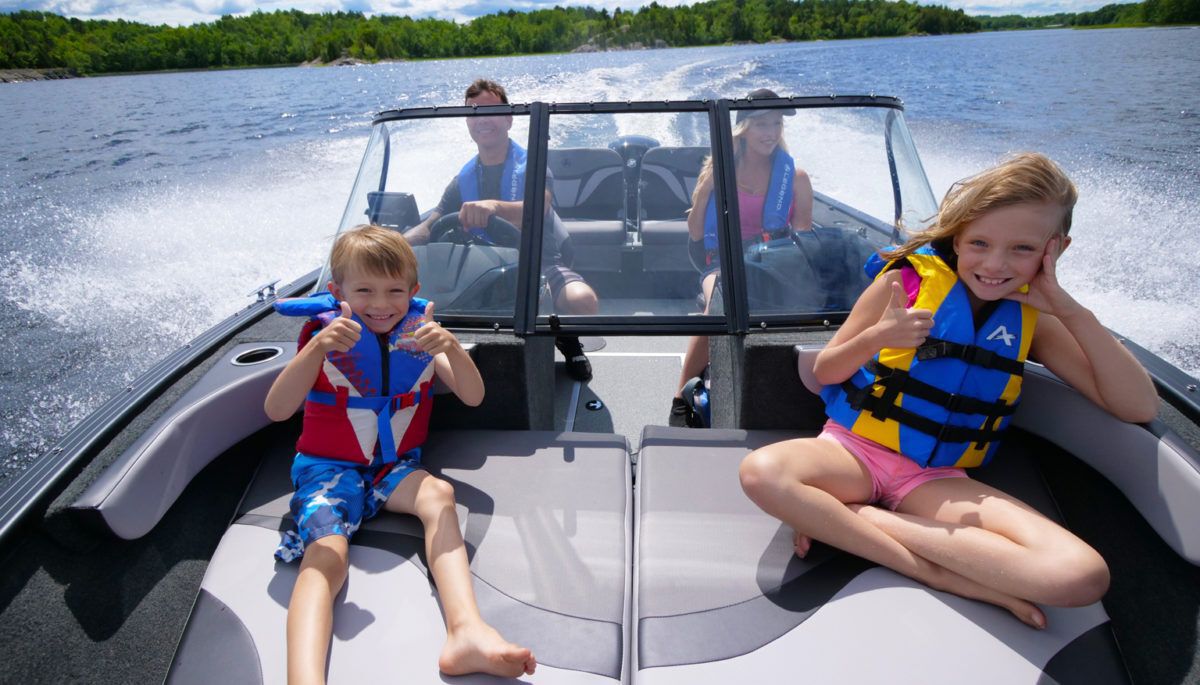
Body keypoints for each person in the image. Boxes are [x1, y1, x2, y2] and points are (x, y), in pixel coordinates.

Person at [738, 153, 1158, 629]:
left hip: (936, 480)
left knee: (1081, 576)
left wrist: (1071, 311)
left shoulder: (1035, 320)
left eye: (1022, 249)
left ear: (1054, 249)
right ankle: (931, 572)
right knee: (762, 472)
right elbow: (826, 372)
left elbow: (1137, 405)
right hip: (853, 452)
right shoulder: (902, 285)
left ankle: (855, 520)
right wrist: (878, 337)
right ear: (957, 237)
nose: (995, 264)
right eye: (980, 242)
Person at [264, 225, 536, 683]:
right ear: (338, 292)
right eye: (364, 291)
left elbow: (472, 396)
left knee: (439, 496)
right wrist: (316, 348)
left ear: (413, 291)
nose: (380, 304)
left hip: (393, 469)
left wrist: (450, 345)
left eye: (394, 291)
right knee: (327, 555)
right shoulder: (325, 336)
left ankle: (467, 632)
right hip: (328, 470)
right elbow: (276, 410)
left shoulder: (422, 334)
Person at [404, 78, 599, 382]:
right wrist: (393, 243)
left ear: (509, 119)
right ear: (467, 123)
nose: (482, 119)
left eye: (491, 111)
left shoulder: (534, 165)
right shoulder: (461, 180)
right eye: (473, 112)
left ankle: (567, 340)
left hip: (539, 264)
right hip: (483, 270)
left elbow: (540, 206)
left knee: (583, 302)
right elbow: (430, 225)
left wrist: (494, 207)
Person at [670, 88, 814, 427]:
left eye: (776, 124)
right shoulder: (718, 171)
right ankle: (680, 397)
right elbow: (694, 231)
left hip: (773, 261)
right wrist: (706, 188)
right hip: (722, 262)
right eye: (762, 124)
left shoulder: (796, 178)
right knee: (720, 303)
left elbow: (803, 239)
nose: (771, 132)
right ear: (744, 129)